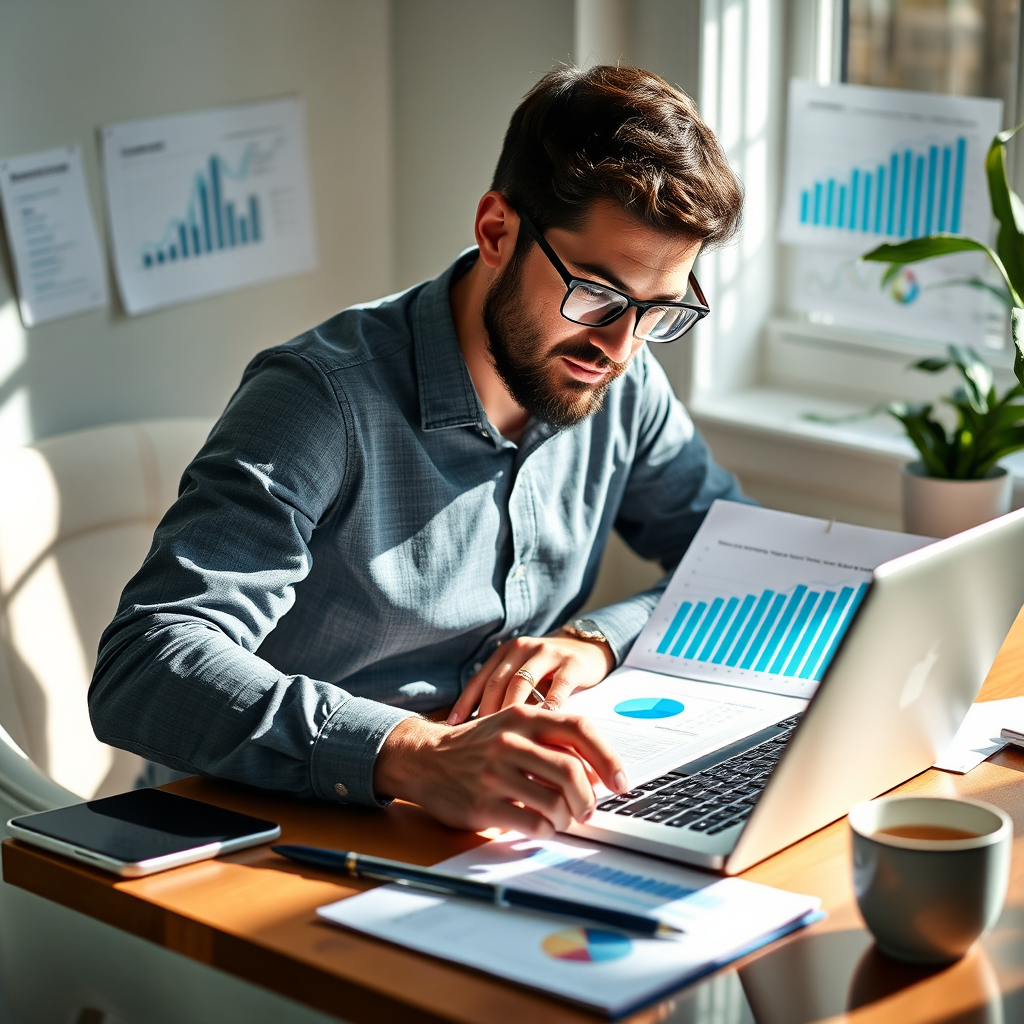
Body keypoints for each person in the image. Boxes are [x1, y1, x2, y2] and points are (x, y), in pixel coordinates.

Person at [90, 64, 746, 840]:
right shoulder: (318, 399)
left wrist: (596, 641)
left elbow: (742, 558)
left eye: (658, 310)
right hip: (248, 835)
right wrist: (414, 751)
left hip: (474, 834)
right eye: (598, 296)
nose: (621, 348)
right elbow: (146, 665)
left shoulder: (621, 387)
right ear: (497, 230)